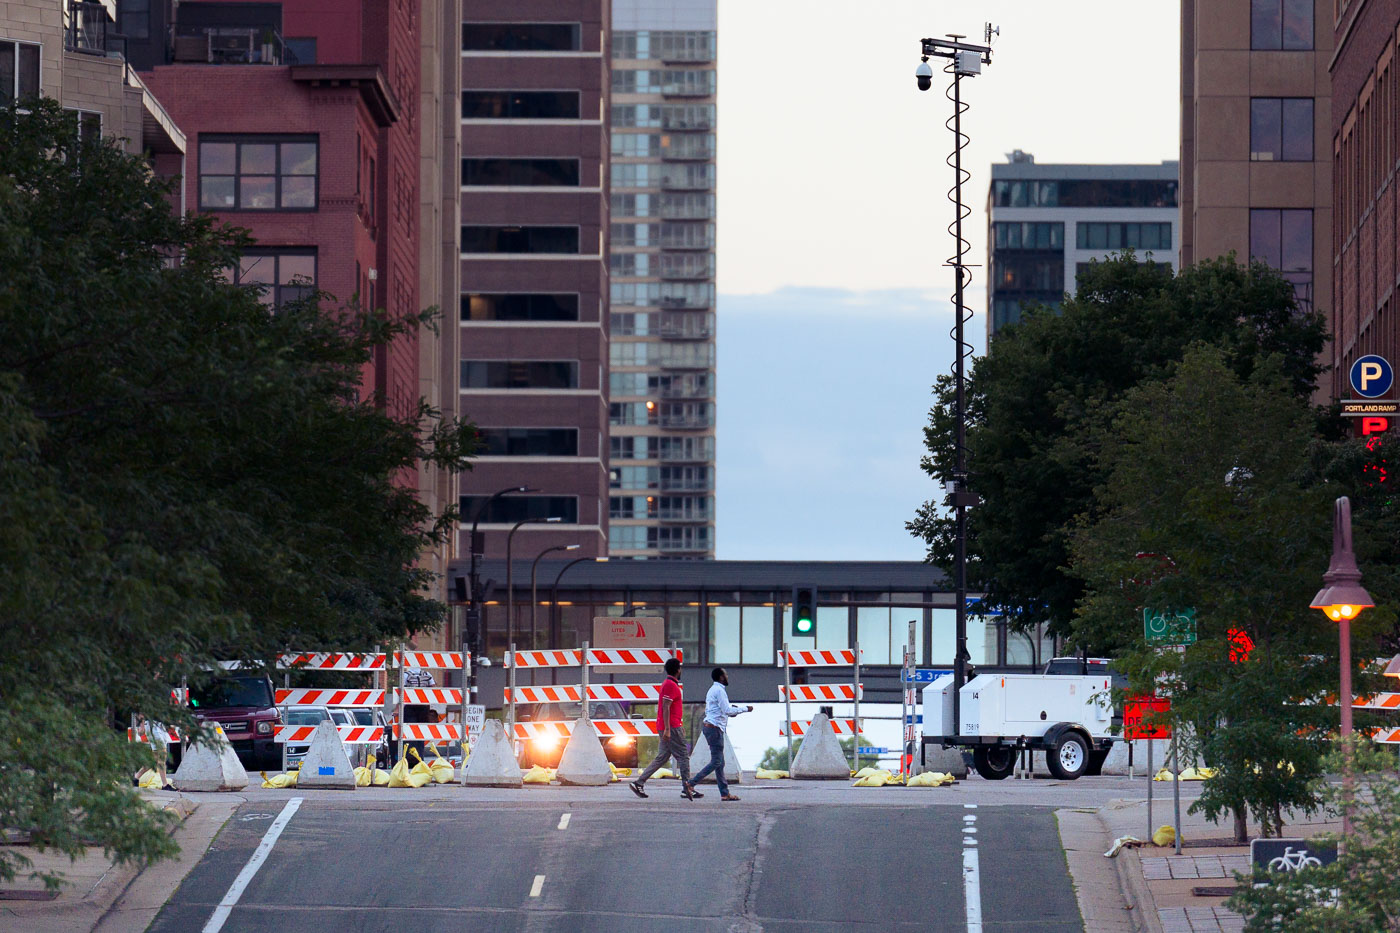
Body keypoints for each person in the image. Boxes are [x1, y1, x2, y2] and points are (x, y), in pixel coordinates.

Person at [630, 657, 694, 799]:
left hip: (671, 725)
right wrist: (668, 729)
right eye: (680, 668)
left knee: (662, 757)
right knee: (683, 756)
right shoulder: (671, 685)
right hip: (671, 727)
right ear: (678, 670)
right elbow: (666, 707)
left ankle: (639, 783)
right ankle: (687, 787)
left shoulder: (669, 684)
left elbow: (670, 708)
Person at [690, 667, 751, 802]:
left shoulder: (713, 690)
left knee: (720, 763)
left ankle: (724, 793)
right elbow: (727, 710)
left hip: (711, 728)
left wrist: (733, 710)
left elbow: (722, 710)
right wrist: (746, 709)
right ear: (721, 677)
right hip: (715, 729)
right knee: (716, 762)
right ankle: (691, 784)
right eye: (726, 675)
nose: (728, 677)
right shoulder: (719, 691)